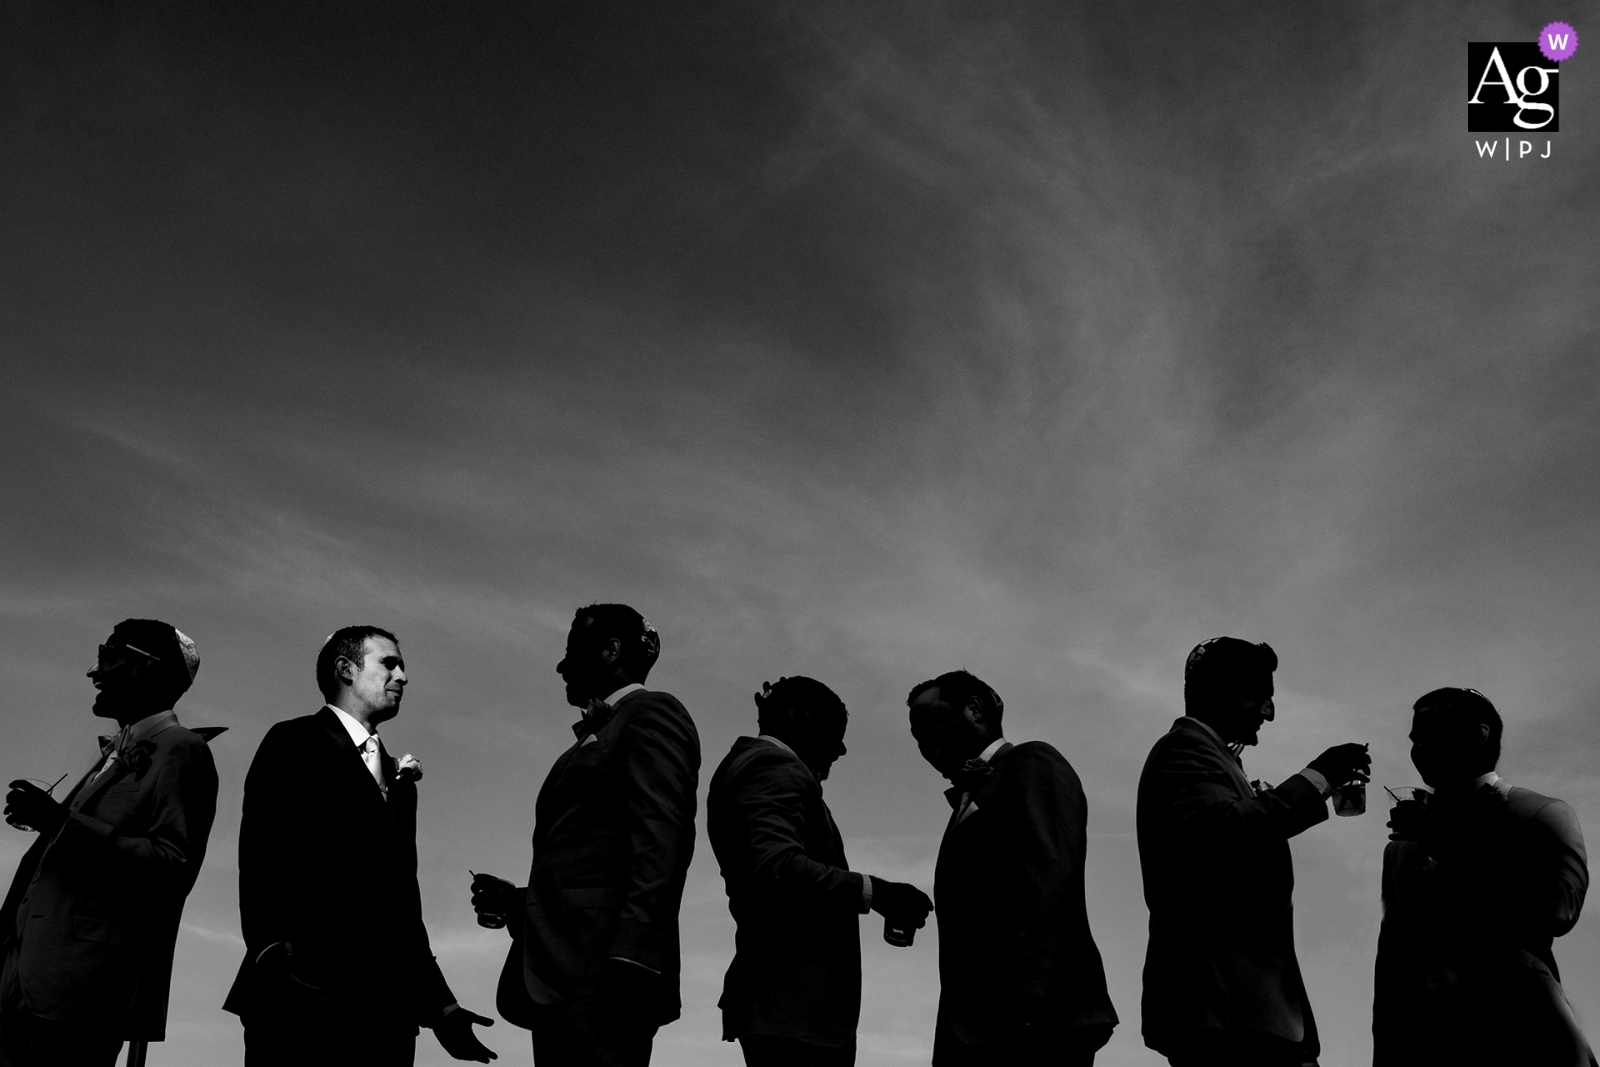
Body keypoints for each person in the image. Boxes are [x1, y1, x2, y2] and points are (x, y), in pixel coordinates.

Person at [222, 624, 495, 1066]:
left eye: (403, 666)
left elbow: (402, 902)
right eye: (389, 663)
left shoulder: (398, 778)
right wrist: (274, 955)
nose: (403, 675)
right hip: (301, 1006)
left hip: (385, 1017)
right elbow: (262, 857)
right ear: (346, 669)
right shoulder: (294, 740)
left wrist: (441, 1006)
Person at [472, 604, 700, 1067]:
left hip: (607, 979)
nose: (561, 664)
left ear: (611, 650)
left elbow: (663, 838)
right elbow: (593, 864)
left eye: (573, 649)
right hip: (561, 976)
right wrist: (520, 901)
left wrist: (634, 957)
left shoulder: (652, 714)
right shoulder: (595, 735)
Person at [1137, 637, 1369, 1067]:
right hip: (1224, 1014)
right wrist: (1319, 778)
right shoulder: (1182, 749)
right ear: (1217, 689)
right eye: (1259, 695)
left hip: (1246, 1014)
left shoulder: (1215, 759)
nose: (1269, 711)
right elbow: (1228, 830)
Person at [1, 619, 219, 1067]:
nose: (94, 672)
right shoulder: (114, 754)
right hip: (16, 983)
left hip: (77, 995)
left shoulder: (182, 750)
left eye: (108, 655)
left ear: (147, 668)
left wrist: (60, 821)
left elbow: (172, 865)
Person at [708, 676, 933, 1067]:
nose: (843, 748)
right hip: (794, 1010)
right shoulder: (772, 765)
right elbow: (775, 867)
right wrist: (877, 893)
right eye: (837, 731)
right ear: (800, 716)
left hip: (785, 1008)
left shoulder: (751, 767)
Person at [907, 669, 1118, 1067]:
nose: (925, 744)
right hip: (975, 1026)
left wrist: (1026, 997)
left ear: (975, 709)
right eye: (917, 737)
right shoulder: (974, 794)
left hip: (1029, 1020)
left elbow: (1049, 875)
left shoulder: (1032, 762)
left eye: (932, 726)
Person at [1374, 687, 1595, 1067]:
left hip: (1526, 1039)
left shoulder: (1541, 813)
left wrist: (1443, 840)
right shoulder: (1400, 849)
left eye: (1431, 733)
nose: (1419, 747)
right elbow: (1393, 963)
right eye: (1414, 739)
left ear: (1479, 735)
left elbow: (1559, 909)